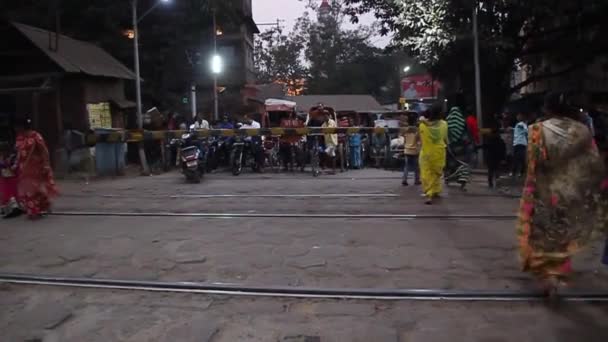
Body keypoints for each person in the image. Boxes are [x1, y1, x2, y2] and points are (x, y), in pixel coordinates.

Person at [517, 92, 607, 297]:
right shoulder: (583, 131)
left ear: (547, 109)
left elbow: (533, 166)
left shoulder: (537, 130)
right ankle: (558, 273)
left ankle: (549, 276)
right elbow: (592, 162)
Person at [15, 118, 58, 219]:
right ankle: (41, 206)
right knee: (28, 190)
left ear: (22, 126)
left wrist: (46, 164)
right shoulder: (19, 138)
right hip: (23, 168)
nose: (15, 129)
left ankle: (34, 211)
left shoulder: (35, 136)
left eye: (17, 126)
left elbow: (44, 151)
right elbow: (18, 153)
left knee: (32, 190)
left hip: (35, 167)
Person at [419, 105, 448, 205]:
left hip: (426, 153)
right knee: (436, 173)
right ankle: (435, 191)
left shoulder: (422, 125)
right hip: (439, 152)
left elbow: (421, 139)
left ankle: (429, 193)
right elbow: (445, 138)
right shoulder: (444, 124)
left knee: (426, 174)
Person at [445, 98, 472, 189]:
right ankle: (462, 180)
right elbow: (466, 132)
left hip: (451, 146)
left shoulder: (447, 120)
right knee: (463, 162)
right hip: (461, 145)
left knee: (452, 163)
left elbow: (445, 132)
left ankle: (448, 178)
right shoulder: (462, 120)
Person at [0, 143, 21, 218]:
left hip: (11, 177)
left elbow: (15, 166)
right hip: (4, 178)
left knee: (12, 193)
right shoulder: (2, 157)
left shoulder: (13, 157)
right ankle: (7, 210)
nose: (3, 153)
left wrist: (10, 166)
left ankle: (15, 208)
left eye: (4, 151)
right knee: (5, 194)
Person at [483, 123, 506, 188]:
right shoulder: (500, 140)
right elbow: (503, 150)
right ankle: (497, 184)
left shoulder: (489, 140)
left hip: (490, 157)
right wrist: (503, 158)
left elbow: (485, 147)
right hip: (497, 158)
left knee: (491, 171)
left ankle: (490, 184)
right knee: (497, 171)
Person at [402, 115, 420, 186]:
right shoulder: (417, 130)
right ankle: (417, 180)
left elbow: (404, 139)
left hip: (407, 150)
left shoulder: (405, 130)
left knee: (406, 166)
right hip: (415, 150)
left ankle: (404, 180)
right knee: (416, 167)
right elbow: (419, 140)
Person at [511, 113, 528, 177]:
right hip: (517, 143)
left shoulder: (522, 124)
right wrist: (512, 129)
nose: (517, 117)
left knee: (520, 158)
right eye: (517, 116)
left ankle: (519, 172)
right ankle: (517, 172)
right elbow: (518, 131)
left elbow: (526, 131)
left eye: (519, 116)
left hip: (521, 143)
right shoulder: (518, 124)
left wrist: (523, 128)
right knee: (517, 158)